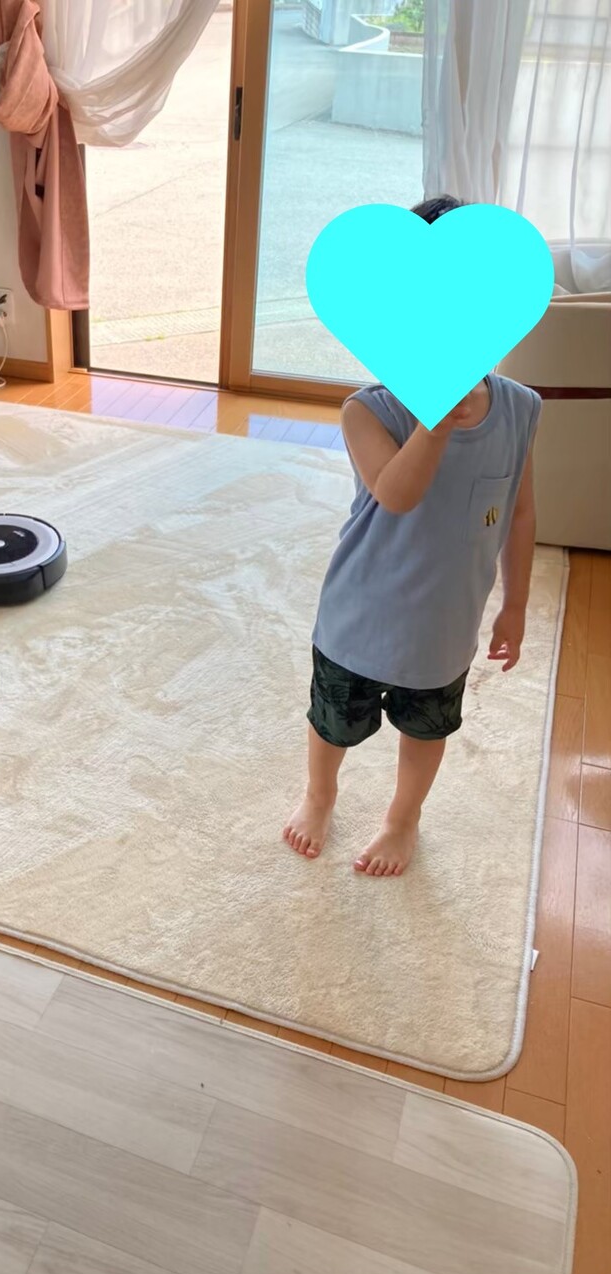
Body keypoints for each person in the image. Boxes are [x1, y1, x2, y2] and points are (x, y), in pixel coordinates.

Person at [284, 194, 541, 877]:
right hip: (359, 615)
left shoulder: (520, 409)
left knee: (427, 728)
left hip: (445, 627)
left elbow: (519, 511)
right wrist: (434, 418)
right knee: (333, 722)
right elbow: (397, 495)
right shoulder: (368, 411)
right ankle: (319, 796)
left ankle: (403, 819)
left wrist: (515, 604)